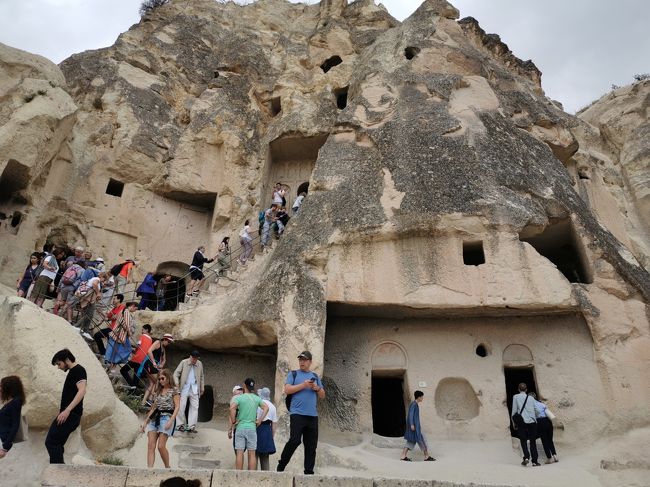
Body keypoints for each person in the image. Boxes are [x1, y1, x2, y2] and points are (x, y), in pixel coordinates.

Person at [277, 351, 325, 475]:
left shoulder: (315, 376)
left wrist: (317, 388)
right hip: (297, 414)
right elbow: (287, 389)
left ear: (310, 362)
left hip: (312, 416)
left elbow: (323, 396)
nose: (302, 362)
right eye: (300, 360)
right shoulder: (293, 374)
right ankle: (281, 465)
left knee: (311, 445)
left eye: (304, 360)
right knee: (295, 440)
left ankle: (309, 472)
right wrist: (303, 385)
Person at [46, 349, 86, 464]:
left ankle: (58, 472)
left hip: (71, 415)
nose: (58, 367)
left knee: (51, 442)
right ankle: (60, 472)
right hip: (70, 414)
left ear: (67, 360)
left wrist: (67, 410)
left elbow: (82, 390)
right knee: (57, 444)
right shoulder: (74, 371)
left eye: (59, 364)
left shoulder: (78, 370)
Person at [140, 368, 180, 468]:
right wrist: (145, 421)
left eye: (162, 378)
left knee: (161, 446)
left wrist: (171, 421)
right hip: (154, 419)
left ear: (168, 378)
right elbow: (153, 408)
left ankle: (167, 467)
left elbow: (177, 406)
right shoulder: (158, 391)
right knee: (150, 445)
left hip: (167, 417)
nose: (160, 380)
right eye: (159, 379)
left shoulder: (174, 390)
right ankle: (149, 469)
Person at [230, 378, 268, 470]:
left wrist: (234, 421)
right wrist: (259, 420)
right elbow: (266, 408)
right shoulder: (256, 398)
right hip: (252, 428)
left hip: (240, 427)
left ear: (244, 385)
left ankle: (238, 475)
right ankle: (251, 476)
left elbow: (232, 408)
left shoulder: (239, 397)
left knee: (239, 452)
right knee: (252, 454)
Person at [173, 350, 204, 433]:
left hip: (194, 388)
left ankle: (191, 426)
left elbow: (201, 376)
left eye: (196, 359)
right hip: (184, 388)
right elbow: (176, 374)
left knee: (195, 407)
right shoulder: (183, 362)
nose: (195, 360)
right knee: (181, 406)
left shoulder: (199, 363)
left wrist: (202, 387)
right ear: (190, 357)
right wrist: (176, 383)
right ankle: (180, 425)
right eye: (194, 358)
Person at [400, 390, 435, 461]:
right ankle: (426, 456)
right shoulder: (414, 404)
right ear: (418, 397)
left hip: (416, 427)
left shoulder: (414, 404)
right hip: (415, 427)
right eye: (422, 397)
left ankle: (403, 456)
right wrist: (412, 424)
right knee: (422, 439)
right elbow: (410, 415)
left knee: (411, 441)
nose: (422, 398)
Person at [141, 334, 174, 407]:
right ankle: (150, 400)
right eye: (169, 342)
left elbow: (164, 359)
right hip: (150, 364)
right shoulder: (157, 342)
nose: (169, 344)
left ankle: (143, 402)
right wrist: (153, 361)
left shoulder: (163, 348)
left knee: (152, 384)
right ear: (165, 339)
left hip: (154, 366)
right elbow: (149, 351)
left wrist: (161, 365)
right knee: (158, 381)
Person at [511, 383, 539, 466]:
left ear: (518, 389)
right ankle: (534, 461)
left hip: (521, 421)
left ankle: (526, 457)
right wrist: (535, 417)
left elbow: (514, 411)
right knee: (533, 441)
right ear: (526, 389)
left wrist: (514, 422)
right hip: (532, 421)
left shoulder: (515, 397)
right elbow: (537, 410)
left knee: (523, 440)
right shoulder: (531, 398)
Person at [104, 300, 137, 369]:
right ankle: (111, 363)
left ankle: (110, 363)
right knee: (122, 349)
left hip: (117, 332)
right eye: (135, 309)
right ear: (133, 306)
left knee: (114, 349)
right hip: (120, 334)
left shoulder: (123, 310)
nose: (135, 311)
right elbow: (127, 325)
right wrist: (130, 333)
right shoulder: (126, 312)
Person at [0, 376, 25, 459]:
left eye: (1, 386)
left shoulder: (16, 402)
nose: (0, 388)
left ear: (9, 387)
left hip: (4, 441)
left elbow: (15, 423)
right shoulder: (11, 400)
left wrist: (5, 447)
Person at [530, 392, 558, 464]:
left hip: (540, 422)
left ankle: (549, 458)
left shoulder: (531, 405)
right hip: (548, 421)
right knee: (550, 440)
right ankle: (555, 455)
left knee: (544, 440)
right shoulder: (541, 403)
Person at [256, 387, 277, 470]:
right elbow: (274, 425)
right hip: (268, 430)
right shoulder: (273, 407)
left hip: (258, 428)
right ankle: (266, 475)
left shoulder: (258, 404)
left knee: (254, 454)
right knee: (265, 456)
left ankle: (252, 474)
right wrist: (271, 437)